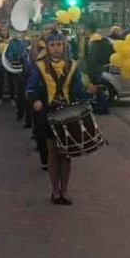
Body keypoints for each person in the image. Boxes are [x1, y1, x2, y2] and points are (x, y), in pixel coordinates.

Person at [27, 30, 92, 205]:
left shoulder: (73, 66)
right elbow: (31, 88)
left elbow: (78, 90)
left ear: (64, 46)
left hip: (68, 114)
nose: (56, 48)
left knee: (67, 154)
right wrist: (35, 100)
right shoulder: (39, 65)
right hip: (48, 113)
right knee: (53, 153)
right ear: (47, 47)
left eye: (59, 45)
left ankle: (65, 190)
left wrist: (88, 94)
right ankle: (55, 191)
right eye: (52, 45)